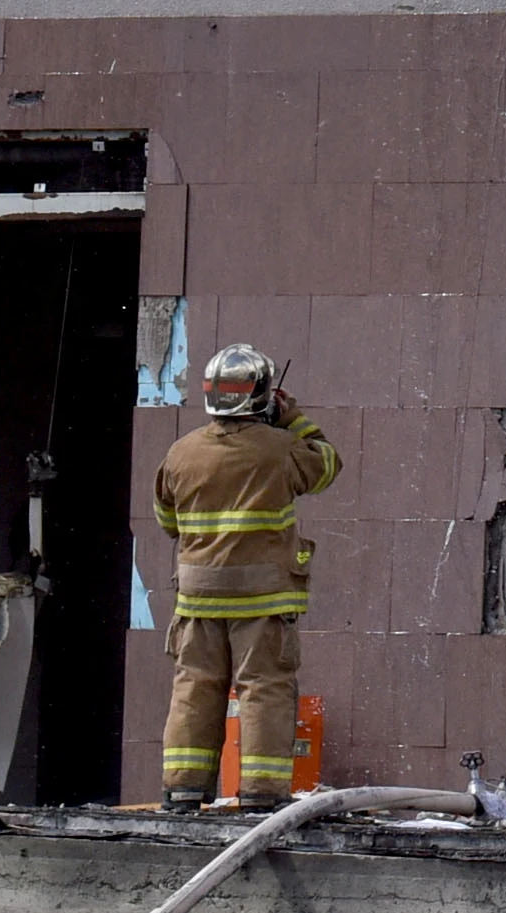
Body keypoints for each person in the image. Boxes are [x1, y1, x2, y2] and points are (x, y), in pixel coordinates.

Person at [153, 343, 344, 811]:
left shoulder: (180, 453)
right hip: (261, 600)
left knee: (195, 688)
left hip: (197, 601)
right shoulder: (282, 450)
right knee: (264, 690)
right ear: (261, 396)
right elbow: (327, 465)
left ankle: (183, 790)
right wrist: (292, 417)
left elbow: (167, 520)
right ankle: (260, 795)